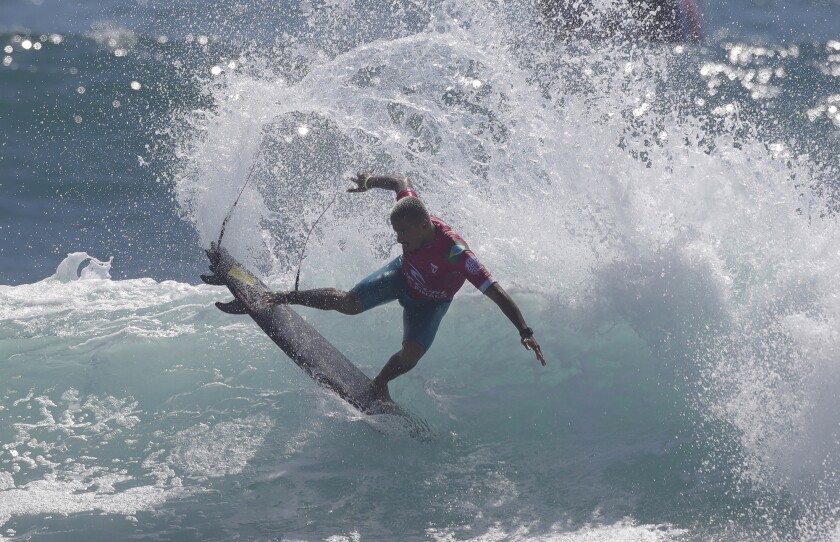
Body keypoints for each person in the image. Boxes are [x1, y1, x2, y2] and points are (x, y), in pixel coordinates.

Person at [261, 173, 545, 403]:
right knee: (348, 303)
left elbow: (495, 291)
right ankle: (284, 297)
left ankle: (379, 384)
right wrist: (369, 182)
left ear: (424, 226)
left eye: (403, 233)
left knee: (410, 357)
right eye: (396, 233)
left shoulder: (457, 253)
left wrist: (525, 331)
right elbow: (401, 181)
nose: (399, 239)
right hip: (401, 276)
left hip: (431, 304)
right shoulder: (411, 208)